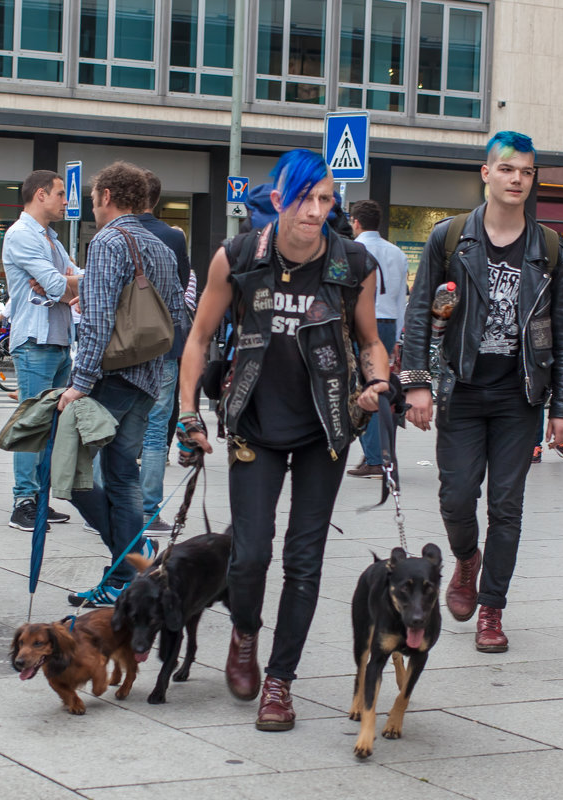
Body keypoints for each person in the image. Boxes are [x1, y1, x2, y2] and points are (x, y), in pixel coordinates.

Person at [177, 148, 390, 732]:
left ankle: (280, 681)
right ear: (278, 200)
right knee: (249, 556)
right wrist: (187, 413)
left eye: (326, 200)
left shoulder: (353, 264)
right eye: (304, 199)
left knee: (304, 559)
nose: (316, 211)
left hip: (326, 427)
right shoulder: (239, 257)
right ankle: (245, 632)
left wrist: (377, 381)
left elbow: (370, 339)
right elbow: (197, 339)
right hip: (254, 423)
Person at [401, 131, 563, 653]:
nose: (516, 179)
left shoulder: (549, 249)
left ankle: (492, 608)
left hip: (519, 398)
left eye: (525, 171)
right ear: (486, 174)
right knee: (456, 498)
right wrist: (417, 384)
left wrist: (562, 408)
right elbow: (418, 314)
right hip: (462, 389)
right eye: (506, 169)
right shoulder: (451, 238)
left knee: (507, 505)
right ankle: (466, 560)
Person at [60, 161, 187, 607]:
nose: (93, 206)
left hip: (110, 376)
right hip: (149, 376)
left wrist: (80, 382)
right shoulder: (162, 246)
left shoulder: (107, 243)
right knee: (121, 476)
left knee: (67, 471)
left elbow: (94, 323)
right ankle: (127, 577)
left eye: (94, 198)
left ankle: (132, 562)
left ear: (108, 196)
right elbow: (178, 314)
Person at [3, 169, 78, 531]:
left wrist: (65, 282)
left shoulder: (50, 238)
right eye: (61, 194)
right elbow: (55, 286)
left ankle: (41, 499)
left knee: (50, 429)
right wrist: (61, 283)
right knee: (31, 425)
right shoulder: (22, 235)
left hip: (60, 339)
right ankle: (23, 501)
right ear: (40, 195)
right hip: (35, 341)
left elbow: (75, 278)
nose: (66, 201)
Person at [137, 169, 191, 531]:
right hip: (165, 342)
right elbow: (183, 282)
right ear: (156, 198)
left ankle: (108, 502)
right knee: (157, 429)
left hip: (125, 345)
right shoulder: (173, 236)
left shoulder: (116, 233)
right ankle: (148, 508)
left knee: (117, 424)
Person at [346, 198, 407, 479]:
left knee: (362, 389)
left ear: (356, 222)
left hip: (361, 323)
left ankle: (374, 458)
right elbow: (400, 298)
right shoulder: (397, 253)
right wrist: (396, 335)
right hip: (387, 323)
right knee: (383, 387)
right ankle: (383, 454)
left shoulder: (352, 250)